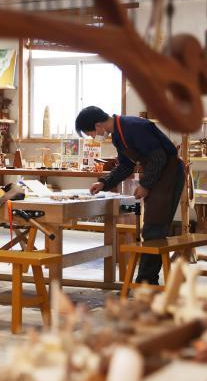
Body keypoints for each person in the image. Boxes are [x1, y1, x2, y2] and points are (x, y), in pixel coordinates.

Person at [75, 106, 184, 285]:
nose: (94, 138)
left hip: (169, 173)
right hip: (157, 173)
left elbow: (158, 157)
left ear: (98, 125)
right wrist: (104, 183)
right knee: (152, 228)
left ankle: (145, 281)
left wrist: (146, 184)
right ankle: (146, 280)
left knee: (154, 228)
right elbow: (125, 166)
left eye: (91, 134)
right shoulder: (118, 135)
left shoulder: (133, 126)